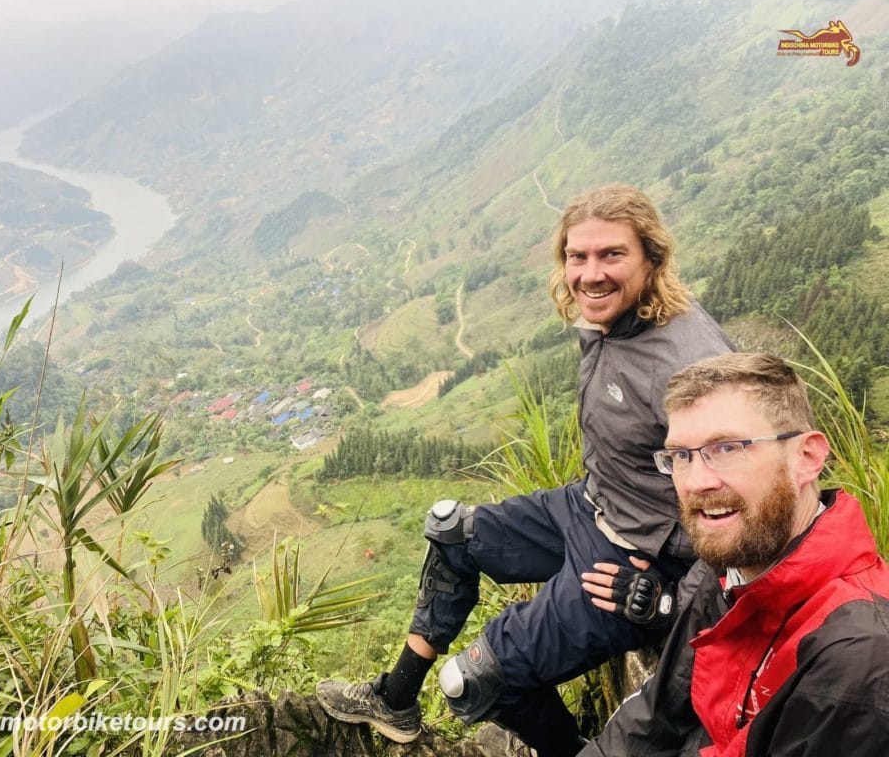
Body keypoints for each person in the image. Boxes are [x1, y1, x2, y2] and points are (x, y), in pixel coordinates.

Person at [316, 184, 735, 755]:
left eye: (612, 254)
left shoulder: (690, 367)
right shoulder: (616, 321)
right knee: (452, 532)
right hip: (593, 505)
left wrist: (668, 601)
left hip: (638, 561)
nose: (590, 274)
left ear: (652, 258)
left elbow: (747, 504)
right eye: (577, 256)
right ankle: (396, 698)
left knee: (473, 681)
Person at [579, 352, 889, 757]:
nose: (696, 482)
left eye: (727, 448)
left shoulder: (858, 660)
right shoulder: (729, 569)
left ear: (808, 458)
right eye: (681, 456)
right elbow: (658, 713)